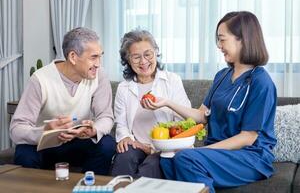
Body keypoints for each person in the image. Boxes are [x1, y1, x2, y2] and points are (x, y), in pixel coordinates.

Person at [141, 11, 277, 192]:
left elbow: (248, 137)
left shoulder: (261, 82)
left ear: (242, 39)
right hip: (218, 153)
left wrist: (202, 151)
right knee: (167, 158)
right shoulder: (222, 76)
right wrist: (167, 102)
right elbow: (201, 116)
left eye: (222, 39)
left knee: (186, 158)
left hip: (250, 156)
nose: (219, 46)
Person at [10, 27, 116, 175]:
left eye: (100, 56)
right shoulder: (40, 79)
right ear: (73, 57)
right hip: (44, 145)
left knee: (107, 144)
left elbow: (106, 116)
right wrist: (45, 132)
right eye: (93, 57)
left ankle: (88, 189)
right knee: (24, 153)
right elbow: (16, 129)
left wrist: (94, 130)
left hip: (78, 142)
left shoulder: (100, 75)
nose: (98, 63)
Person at [111, 29, 191, 178]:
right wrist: (125, 138)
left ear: (156, 53)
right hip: (136, 145)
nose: (143, 61)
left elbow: (183, 120)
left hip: (165, 146)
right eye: (136, 57)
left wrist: (153, 148)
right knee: (124, 158)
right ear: (128, 60)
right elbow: (121, 123)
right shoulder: (124, 88)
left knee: (152, 165)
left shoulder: (172, 81)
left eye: (148, 54)